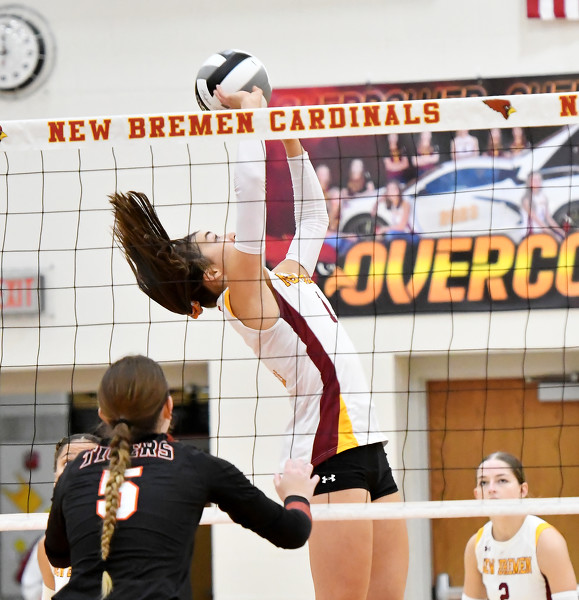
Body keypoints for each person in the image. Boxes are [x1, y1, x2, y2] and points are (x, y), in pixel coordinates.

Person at [109, 85, 408, 600]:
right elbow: (251, 197)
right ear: (210, 275)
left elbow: (314, 219)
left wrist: (290, 144)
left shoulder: (286, 279)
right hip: (329, 450)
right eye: (212, 239)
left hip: (367, 444)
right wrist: (250, 121)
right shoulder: (244, 300)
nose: (223, 235)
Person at [44, 354, 318, 600]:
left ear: (103, 414)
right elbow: (291, 532)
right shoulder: (196, 465)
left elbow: (58, 554)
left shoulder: (76, 468)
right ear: (168, 407)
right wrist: (297, 495)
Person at [463, 451, 578, 600]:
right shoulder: (476, 545)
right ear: (477, 494)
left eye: (502, 480)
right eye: (483, 482)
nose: (491, 489)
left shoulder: (545, 540)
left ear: (522, 490)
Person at [19, 434, 101, 600]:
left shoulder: (128, 535)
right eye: (69, 462)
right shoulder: (46, 547)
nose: (79, 468)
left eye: (91, 460)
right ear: (56, 477)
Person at [521, 172, 565, 240]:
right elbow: (538, 222)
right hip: (530, 234)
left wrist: (563, 233)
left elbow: (549, 219)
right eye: (534, 180)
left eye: (539, 180)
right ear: (529, 182)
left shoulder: (543, 197)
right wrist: (554, 236)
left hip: (542, 231)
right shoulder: (526, 199)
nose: (537, 182)